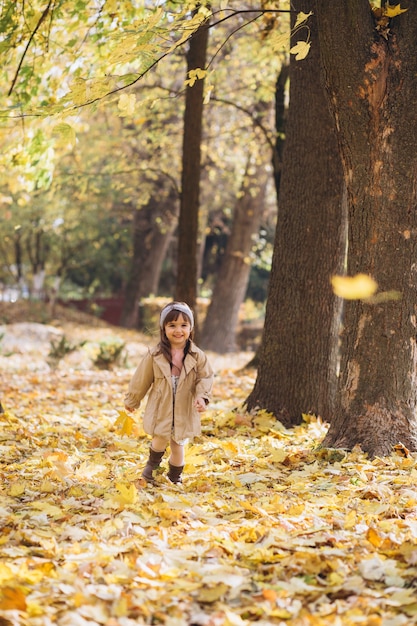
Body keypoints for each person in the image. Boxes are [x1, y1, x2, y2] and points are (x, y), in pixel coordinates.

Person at [124, 301, 213, 484]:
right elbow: (141, 378)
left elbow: (205, 378)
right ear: (164, 328)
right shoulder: (155, 355)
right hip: (161, 405)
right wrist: (133, 400)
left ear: (191, 328)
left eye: (183, 325)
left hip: (184, 408)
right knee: (159, 439)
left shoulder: (197, 356)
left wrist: (202, 397)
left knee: (178, 445)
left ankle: (175, 476)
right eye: (172, 325)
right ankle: (152, 469)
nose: (178, 330)